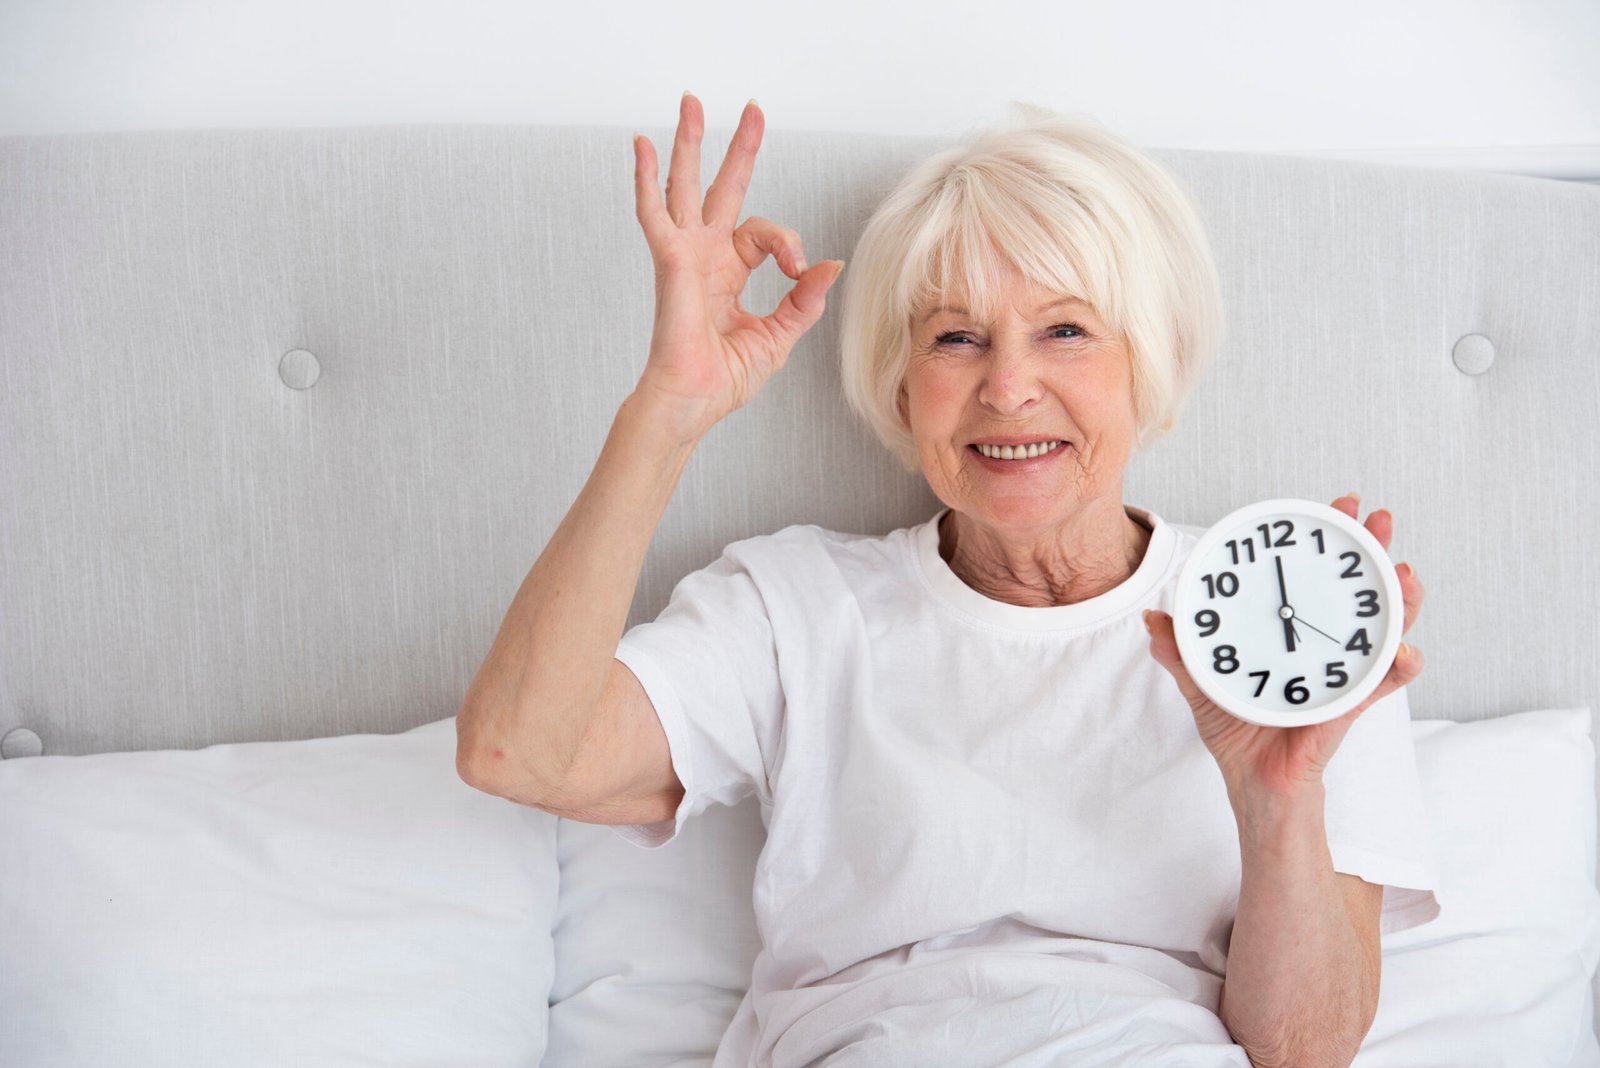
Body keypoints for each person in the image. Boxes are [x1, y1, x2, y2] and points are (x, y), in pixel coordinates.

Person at [456, 92, 1440, 1067]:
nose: (1006, 387)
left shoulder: (1295, 624)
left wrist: (1277, 799)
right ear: (900, 386)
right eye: (955, 338)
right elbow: (520, 756)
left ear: (1154, 363)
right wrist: (666, 412)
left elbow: (1306, 1048)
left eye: (1065, 331)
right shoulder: (794, 606)